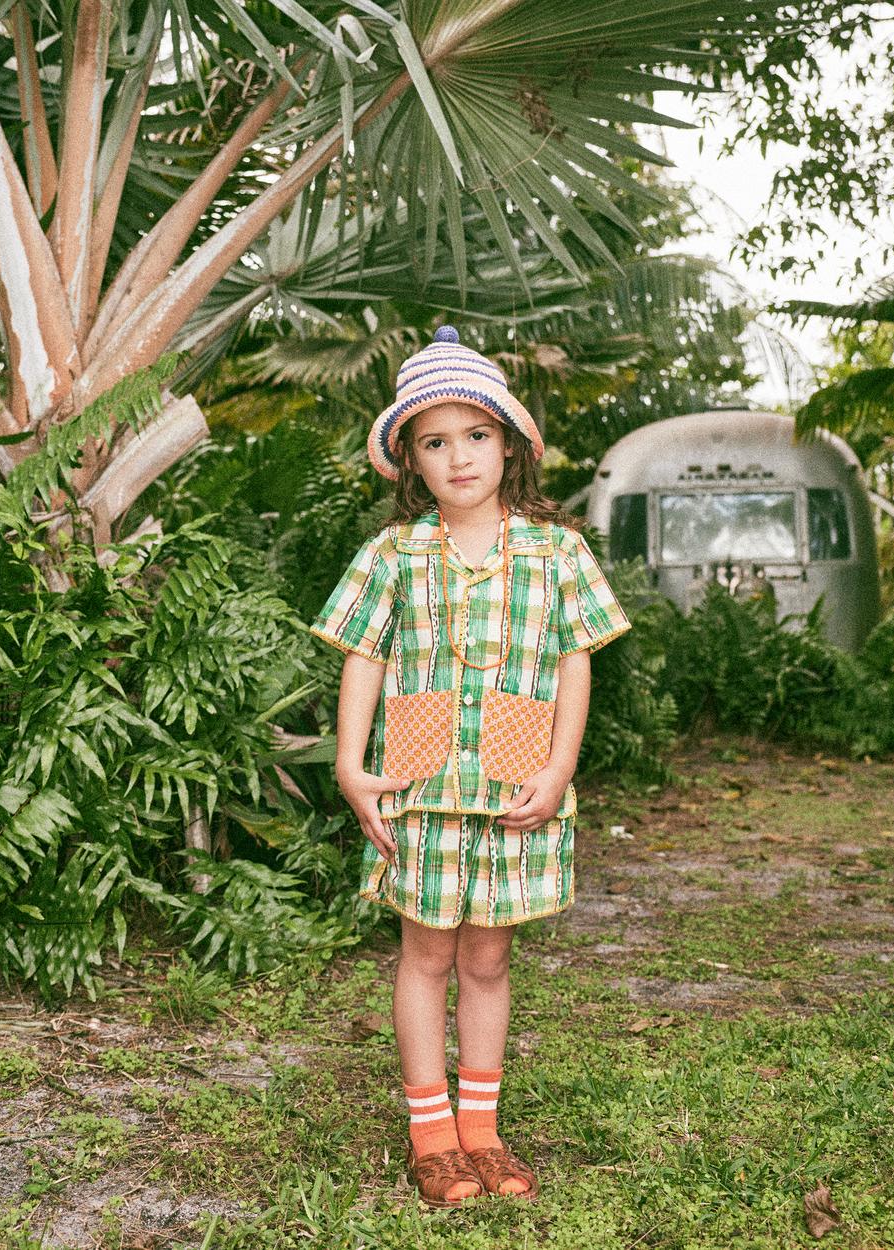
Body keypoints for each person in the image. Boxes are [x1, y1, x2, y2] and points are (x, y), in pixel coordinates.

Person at [310, 326, 632, 1208]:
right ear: (411, 462)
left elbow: (576, 659)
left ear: (511, 444)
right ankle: (432, 1133)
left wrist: (560, 769)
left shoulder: (555, 552)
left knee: (487, 958)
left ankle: (482, 1128)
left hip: (517, 782)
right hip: (419, 786)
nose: (460, 457)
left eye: (476, 434)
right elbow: (365, 657)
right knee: (425, 954)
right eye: (435, 441)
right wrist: (349, 760)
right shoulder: (394, 554)